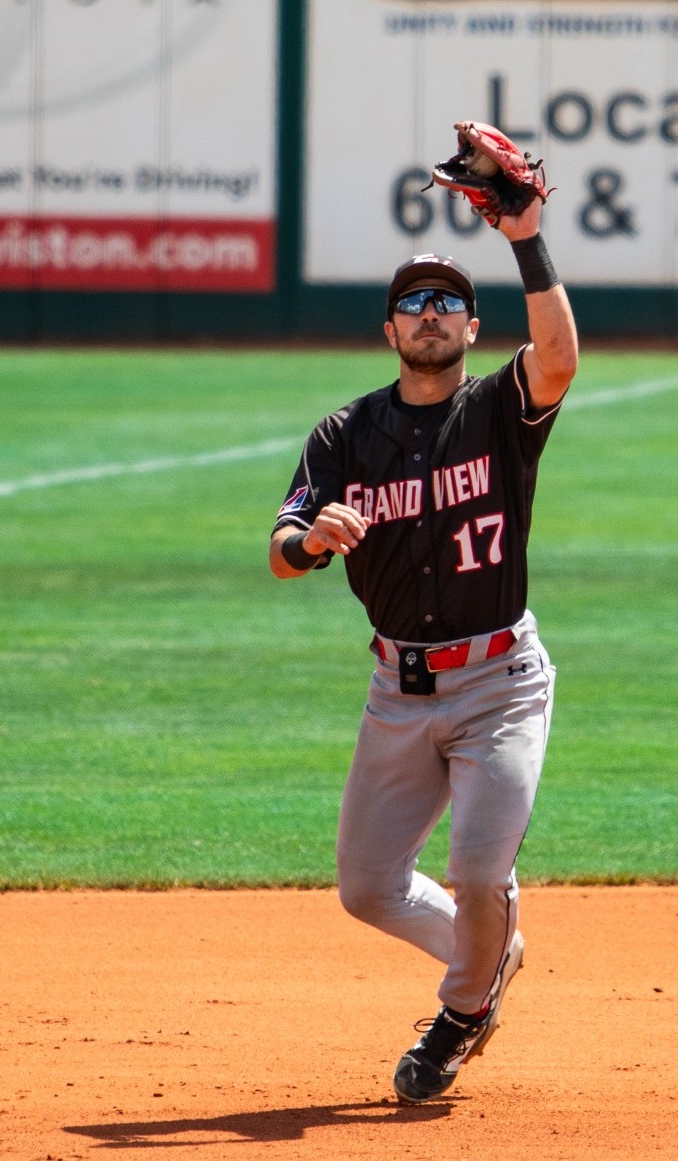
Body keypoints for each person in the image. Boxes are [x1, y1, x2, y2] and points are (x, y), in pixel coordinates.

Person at [267, 194, 577, 1103]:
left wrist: (525, 238)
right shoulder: (343, 435)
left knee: (478, 871)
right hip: (396, 692)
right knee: (366, 888)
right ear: (390, 329)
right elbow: (280, 552)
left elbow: (558, 358)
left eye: (447, 301)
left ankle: (460, 1013)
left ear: (472, 328)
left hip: (499, 683)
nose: (430, 312)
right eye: (414, 301)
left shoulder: (499, 411)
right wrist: (311, 540)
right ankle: (488, 954)